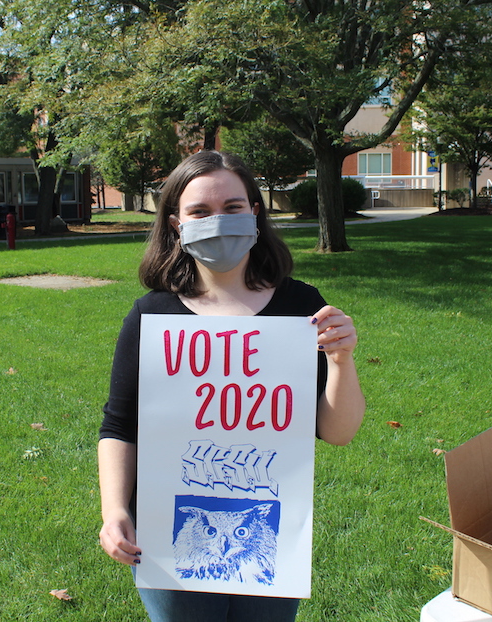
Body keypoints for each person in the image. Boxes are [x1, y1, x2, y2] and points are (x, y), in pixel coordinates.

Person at [97, 150, 365, 622]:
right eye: (199, 211)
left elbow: (338, 431)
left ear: (255, 213)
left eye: (233, 208)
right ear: (177, 224)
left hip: (269, 529)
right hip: (172, 530)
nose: (217, 221)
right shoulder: (152, 316)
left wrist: (341, 360)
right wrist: (115, 509)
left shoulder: (300, 308)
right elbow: (120, 425)